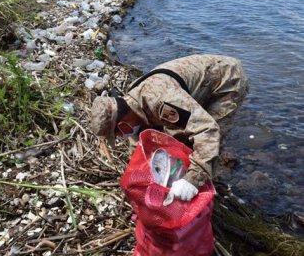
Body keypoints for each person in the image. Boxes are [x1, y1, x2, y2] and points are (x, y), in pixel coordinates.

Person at [91, 54, 248, 204]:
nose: (121, 137)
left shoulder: (161, 103)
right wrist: (139, 172)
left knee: (211, 133)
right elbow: (139, 142)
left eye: (118, 134)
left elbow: (207, 129)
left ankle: (204, 187)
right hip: (197, 85)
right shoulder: (131, 105)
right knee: (180, 137)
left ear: (122, 125)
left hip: (226, 81)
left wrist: (193, 180)